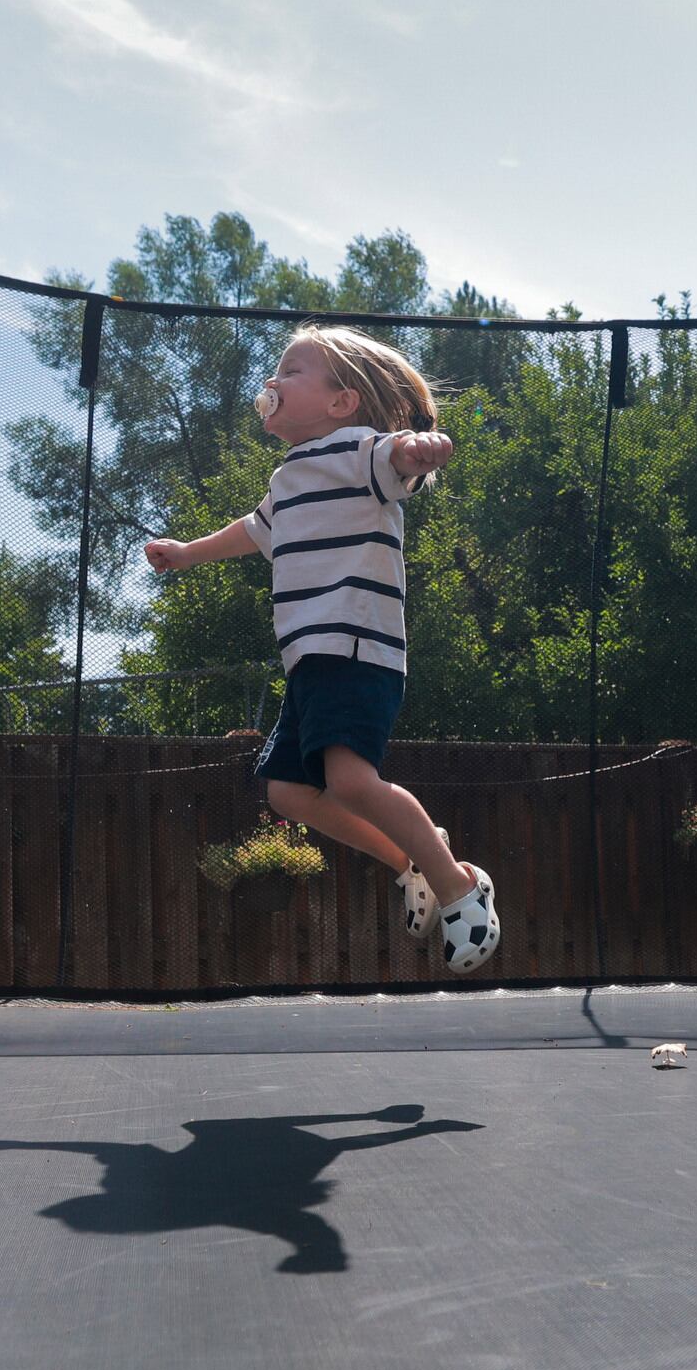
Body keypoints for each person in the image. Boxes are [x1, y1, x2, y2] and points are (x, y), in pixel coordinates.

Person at [142, 324, 501, 971]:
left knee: (350, 780)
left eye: (291, 372)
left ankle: (460, 887)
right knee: (286, 792)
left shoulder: (359, 450)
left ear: (340, 401)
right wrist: (189, 553)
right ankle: (412, 861)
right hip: (310, 659)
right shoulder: (289, 478)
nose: (273, 383)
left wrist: (420, 449)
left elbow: (398, 459)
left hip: (357, 646)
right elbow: (255, 530)